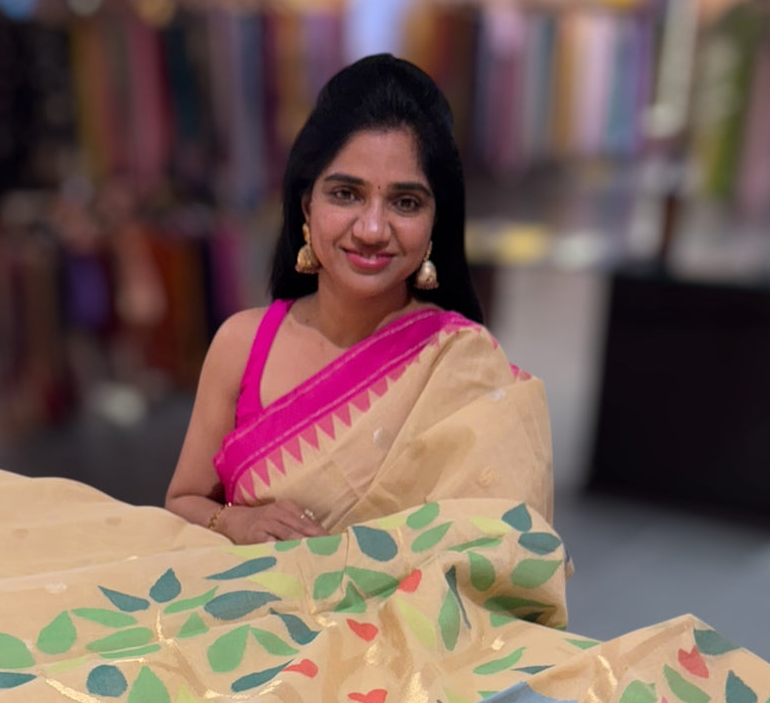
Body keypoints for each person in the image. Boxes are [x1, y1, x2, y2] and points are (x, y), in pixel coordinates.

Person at [165, 55, 553, 544]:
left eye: (405, 203)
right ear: (306, 205)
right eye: (346, 194)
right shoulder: (241, 344)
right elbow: (182, 503)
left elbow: (500, 553)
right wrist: (236, 521)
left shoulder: (463, 366)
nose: (371, 230)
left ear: (437, 219)